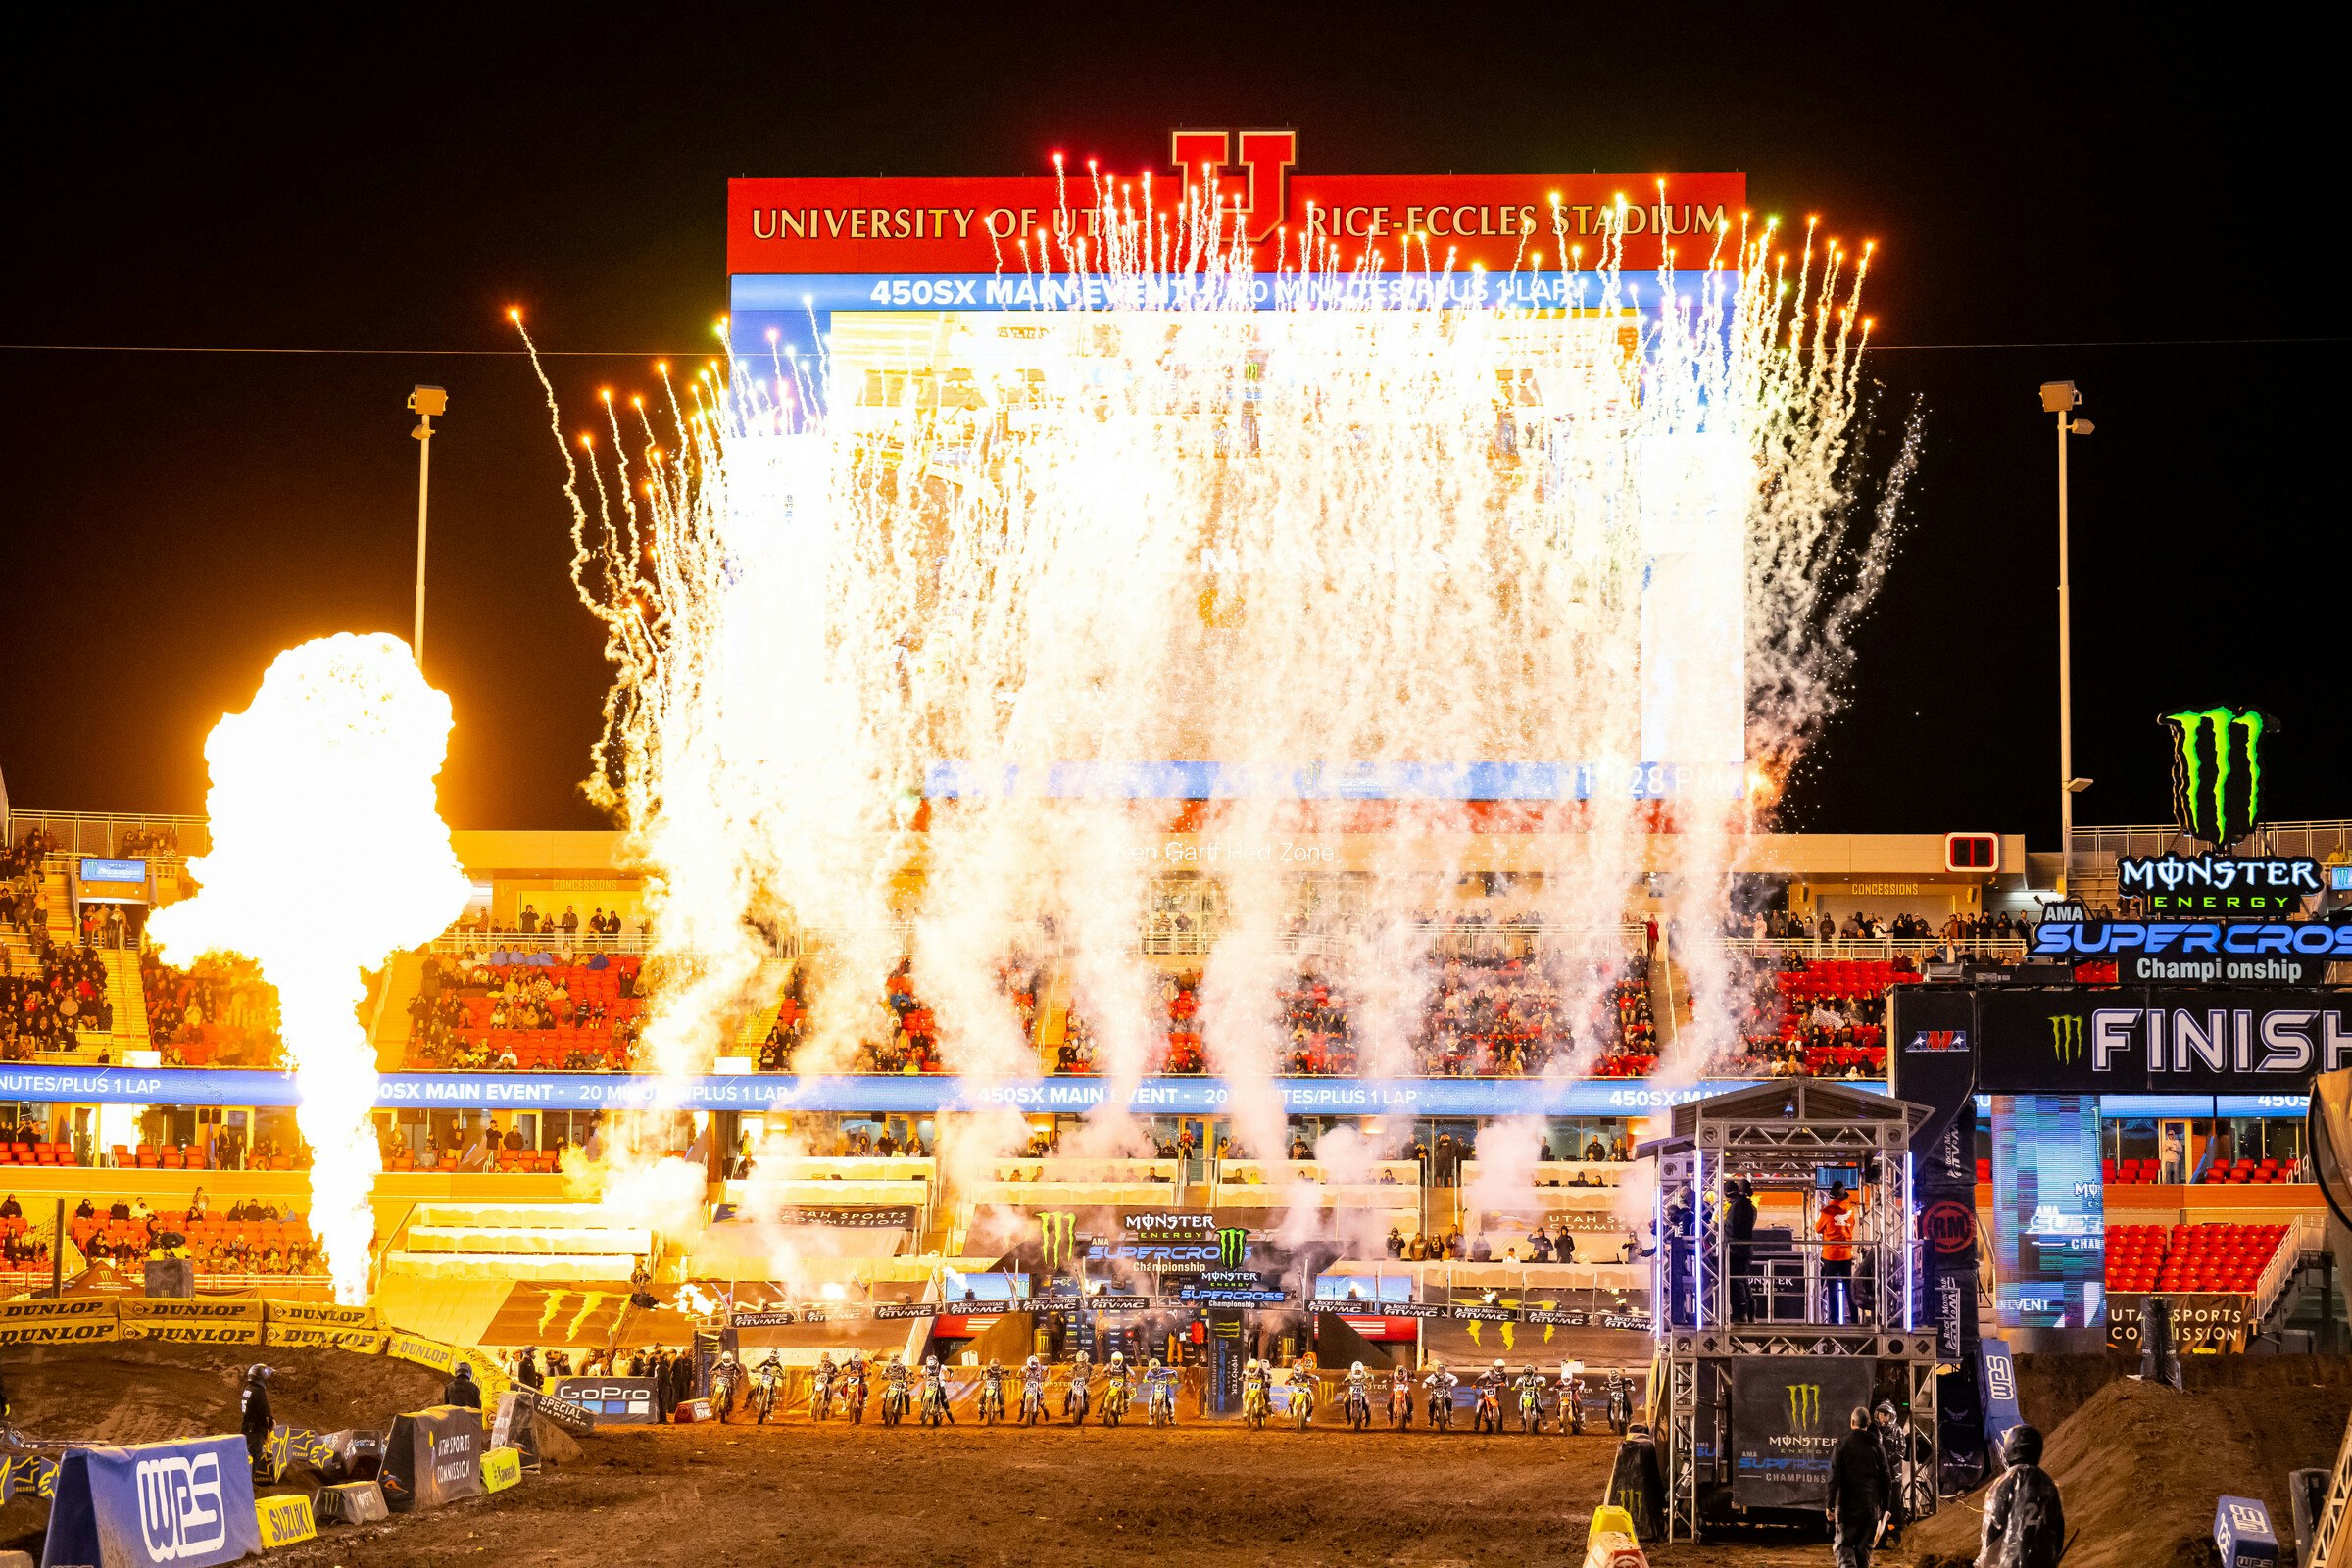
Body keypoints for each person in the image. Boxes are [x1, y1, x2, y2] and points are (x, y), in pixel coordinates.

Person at [1978, 1424, 2066, 1567]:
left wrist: (1987, 1563)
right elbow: (2057, 1527)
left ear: (2010, 1449)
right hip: (2042, 1561)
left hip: (2010, 1563)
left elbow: (1992, 1528)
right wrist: (2053, 1556)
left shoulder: (2003, 1484)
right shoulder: (2047, 1483)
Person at [1825, 1404, 1890, 1568]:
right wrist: (1885, 1508)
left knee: (1844, 1548)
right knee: (1863, 1551)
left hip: (1847, 1506)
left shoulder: (1842, 1444)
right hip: (1870, 1507)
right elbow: (1886, 1478)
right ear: (1867, 1424)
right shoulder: (1876, 1446)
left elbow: (1834, 1477)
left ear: (1852, 1422)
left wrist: (1829, 1505)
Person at [1817, 1182, 1856, 1325]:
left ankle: (1834, 1320)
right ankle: (1855, 1319)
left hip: (1831, 1254)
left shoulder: (1827, 1211)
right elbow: (1852, 1225)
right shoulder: (1850, 1210)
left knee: (1832, 1288)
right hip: (1846, 1253)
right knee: (1849, 1287)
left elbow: (1817, 1228)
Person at [1725, 1177, 1758, 1322]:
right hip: (1745, 1249)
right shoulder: (1749, 1206)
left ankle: (1740, 1314)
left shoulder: (1738, 1205)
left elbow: (1733, 1229)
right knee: (1743, 1281)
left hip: (1736, 1250)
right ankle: (1749, 1312)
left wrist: (1722, 1231)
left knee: (1736, 1282)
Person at [239, 1364, 275, 1479]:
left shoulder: (247, 1389)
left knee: (246, 1456)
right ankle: (248, 1484)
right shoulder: (258, 1391)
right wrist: (271, 1425)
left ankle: (246, 1483)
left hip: (246, 1428)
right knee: (254, 1456)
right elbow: (265, 1413)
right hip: (254, 1431)